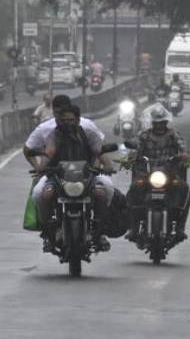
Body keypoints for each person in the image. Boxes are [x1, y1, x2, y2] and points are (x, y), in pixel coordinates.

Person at [24, 103, 125, 250]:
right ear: (58, 120)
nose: (67, 123)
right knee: (42, 194)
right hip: (57, 176)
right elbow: (49, 152)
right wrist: (42, 167)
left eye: (71, 120)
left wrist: (106, 166)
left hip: (88, 176)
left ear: (77, 120)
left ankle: (99, 230)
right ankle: (48, 232)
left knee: (103, 191)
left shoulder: (88, 133)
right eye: (64, 120)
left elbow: (98, 151)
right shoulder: (53, 135)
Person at [127, 105, 190, 242]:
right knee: (133, 189)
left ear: (166, 122)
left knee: (185, 189)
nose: (159, 125)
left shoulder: (173, 134)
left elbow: (183, 147)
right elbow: (135, 148)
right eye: (157, 123)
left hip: (169, 173)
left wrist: (184, 155)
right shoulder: (144, 135)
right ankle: (134, 227)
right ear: (152, 123)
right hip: (147, 172)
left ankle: (180, 227)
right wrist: (132, 156)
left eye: (162, 122)